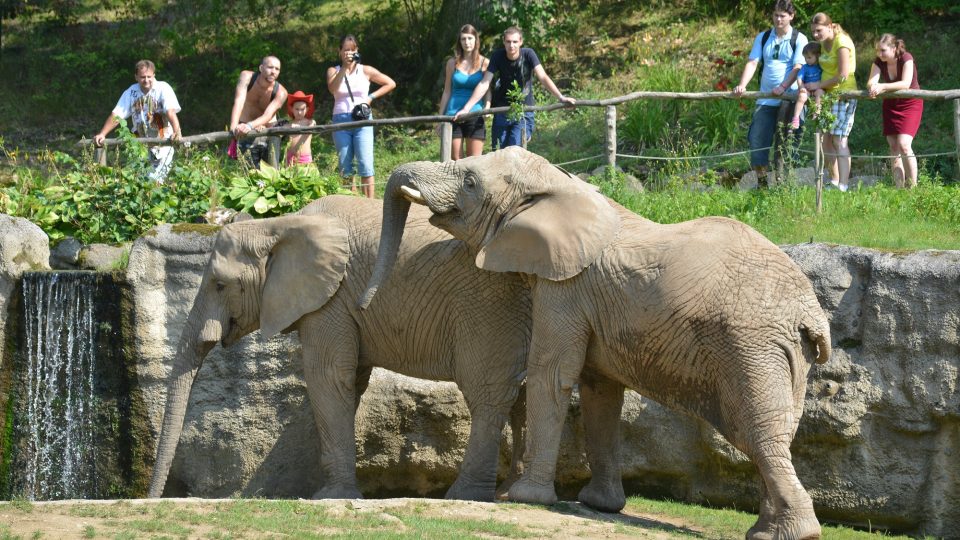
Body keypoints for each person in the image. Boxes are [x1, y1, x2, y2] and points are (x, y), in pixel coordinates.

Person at [454, 26, 575, 149]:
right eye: (508, 42)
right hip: (502, 111)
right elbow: (484, 83)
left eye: (515, 42)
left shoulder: (528, 54)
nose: (511, 45)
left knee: (516, 149)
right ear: (504, 42)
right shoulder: (497, 56)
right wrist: (466, 108)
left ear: (521, 42)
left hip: (524, 110)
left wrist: (561, 97)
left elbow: (542, 76)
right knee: (499, 151)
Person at [731, 0, 808, 188]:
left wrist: (783, 87)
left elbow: (799, 67)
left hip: (789, 99)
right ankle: (763, 184)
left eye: (782, 15)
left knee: (785, 145)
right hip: (765, 100)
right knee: (757, 141)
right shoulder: (764, 37)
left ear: (791, 16)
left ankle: (784, 186)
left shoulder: (799, 38)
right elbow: (752, 62)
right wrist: (742, 85)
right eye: (775, 15)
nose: (778, 19)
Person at [326, 34, 396, 198]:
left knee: (365, 163)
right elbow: (333, 89)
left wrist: (370, 98)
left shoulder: (366, 70)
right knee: (345, 164)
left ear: (357, 51)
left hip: (362, 120)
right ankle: (349, 202)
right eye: (345, 50)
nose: (349, 53)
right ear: (340, 51)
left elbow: (390, 83)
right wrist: (344, 67)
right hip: (340, 121)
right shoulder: (333, 71)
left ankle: (369, 204)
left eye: (352, 50)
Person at [93, 59, 182, 183]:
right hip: (139, 144)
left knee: (155, 181)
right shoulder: (131, 92)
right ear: (136, 77)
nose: (146, 80)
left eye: (149, 76)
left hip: (163, 143)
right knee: (138, 181)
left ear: (154, 75)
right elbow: (117, 115)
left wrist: (177, 132)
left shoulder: (163, 88)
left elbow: (170, 112)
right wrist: (103, 134)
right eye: (142, 77)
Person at [809, 12, 858, 192]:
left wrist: (818, 85)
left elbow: (843, 75)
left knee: (839, 139)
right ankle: (834, 180)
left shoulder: (842, 41)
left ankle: (844, 184)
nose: (815, 35)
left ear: (830, 26)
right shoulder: (823, 43)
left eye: (819, 31)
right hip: (827, 95)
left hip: (843, 95)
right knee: (825, 140)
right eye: (813, 32)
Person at [867, 34, 923, 189]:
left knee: (904, 144)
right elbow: (872, 80)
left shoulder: (906, 58)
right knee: (893, 146)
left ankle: (912, 187)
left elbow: (906, 83)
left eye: (883, 50)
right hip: (890, 105)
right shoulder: (879, 61)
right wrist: (873, 87)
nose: (879, 54)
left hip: (910, 104)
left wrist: (882, 87)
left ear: (894, 48)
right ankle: (898, 188)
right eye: (878, 50)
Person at [438, 24, 490, 160]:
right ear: (459, 42)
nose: (467, 42)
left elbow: (487, 90)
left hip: (475, 113)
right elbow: (447, 91)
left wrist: (488, 107)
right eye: (463, 39)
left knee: (474, 162)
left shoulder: (485, 62)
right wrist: (439, 119)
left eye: (470, 38)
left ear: (476, 40)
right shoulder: (451, 63)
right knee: (456, 161)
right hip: (452, 115)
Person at [228, 55, 288, 169]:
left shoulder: (282, 92)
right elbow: (239, 100)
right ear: (261, 68)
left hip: (267, 129)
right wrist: (233, 126)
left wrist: (250, 125)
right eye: (270, 67)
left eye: (277, 69)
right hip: (243, 127)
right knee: (245, 169)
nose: (273, 71)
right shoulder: (246, 77)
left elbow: (268, 115)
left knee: (271, 170)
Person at [790, 42, 823, 130]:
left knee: (820, 93)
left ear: (818, 55)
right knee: (802, 96)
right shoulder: (805, 67)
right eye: (805, 58)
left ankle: (816, 110)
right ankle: (796, 118)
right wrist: (801, 87)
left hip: (818, 88)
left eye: (809, 57)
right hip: (807, 89)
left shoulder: (821, 66)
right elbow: (799, 78)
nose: (806, 60)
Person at [284, 90, 316, 167]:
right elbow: (281, 130)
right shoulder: (289, 124)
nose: (299, 112)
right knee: (289, 178)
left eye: (302, 109)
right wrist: (289, 127)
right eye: (297, 109)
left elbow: (312, 126)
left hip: (305, 158)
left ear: (307, 109)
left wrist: (303, 127)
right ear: (292, 109)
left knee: (307, 177)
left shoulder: (309, 122)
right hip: (291, 158)